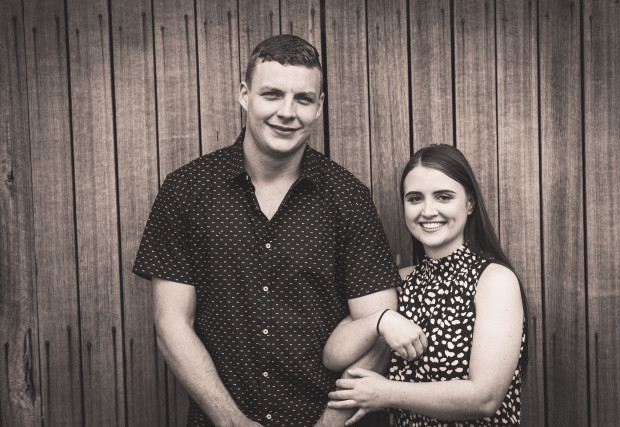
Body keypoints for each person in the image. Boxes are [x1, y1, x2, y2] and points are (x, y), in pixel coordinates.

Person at [133, 34, 403, 426]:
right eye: (272, 94)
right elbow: (171, 324)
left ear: (319, 106)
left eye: (303, 99)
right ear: (245, 95)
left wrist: (326, 425)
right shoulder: (187, 191)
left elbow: (379, 326)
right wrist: (233, 423)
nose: (287, 112)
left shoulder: (348, 197)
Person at [323, 144, 528, 426]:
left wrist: (387, 393)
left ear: (469, 203)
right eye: (415, 198)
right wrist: (381, 320)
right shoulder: (401, 281)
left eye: (443, 197)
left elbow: (485, 397)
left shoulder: (494, 280)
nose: (428, 211)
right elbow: (332, 356)